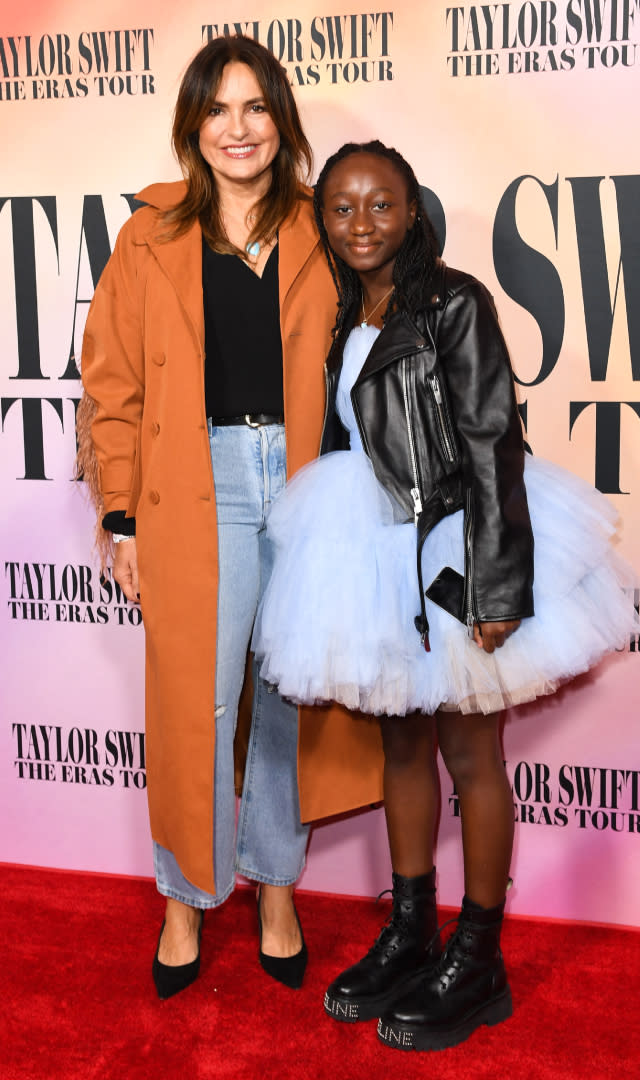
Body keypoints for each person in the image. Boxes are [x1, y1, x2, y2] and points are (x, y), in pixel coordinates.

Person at [252, 140, 639, 1050]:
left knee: (471, 753)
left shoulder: (454, 300)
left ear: (413, 211)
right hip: (371, 552)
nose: (360, 223)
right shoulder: (347, 309)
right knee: (400, 747)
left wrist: (497, 585)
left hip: (455, 545)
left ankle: (480, 957)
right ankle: (413, 929)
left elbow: (492, 441)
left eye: (380, 205)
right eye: (341, 207)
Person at [77, 35, 341, 999]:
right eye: (218, 109)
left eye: (257, 107)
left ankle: (275, 886)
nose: (239, 129)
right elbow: (110, 383)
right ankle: (185, 894)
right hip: (203, 479)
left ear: (282, 121)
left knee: (286, 698)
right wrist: (120, 516)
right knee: (197, 698)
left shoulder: (325, 228)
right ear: (193, 124)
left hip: (312, 484)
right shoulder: (150, 236)